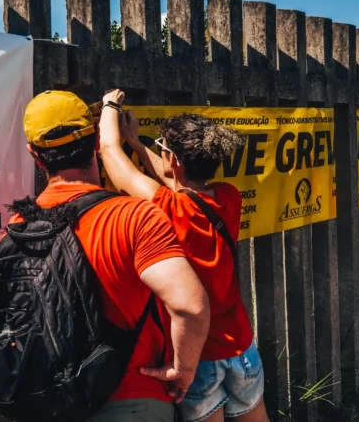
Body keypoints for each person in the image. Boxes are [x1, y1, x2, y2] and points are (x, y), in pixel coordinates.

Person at [18, 91, 211, 421]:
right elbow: (190, 306)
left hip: (52, 399)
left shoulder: (20, 223)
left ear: (35, 155)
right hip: (133, 396)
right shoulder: (134, 216)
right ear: (95, 143)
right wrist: (184, 369)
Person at [97, 89, 269, 422]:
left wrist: (109, 106)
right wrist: (137, 144)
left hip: (197, 357)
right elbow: (174, 180)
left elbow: (108, 150)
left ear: (173, 160)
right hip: (241, 348)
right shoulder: (229, 198)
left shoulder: (169, 207)